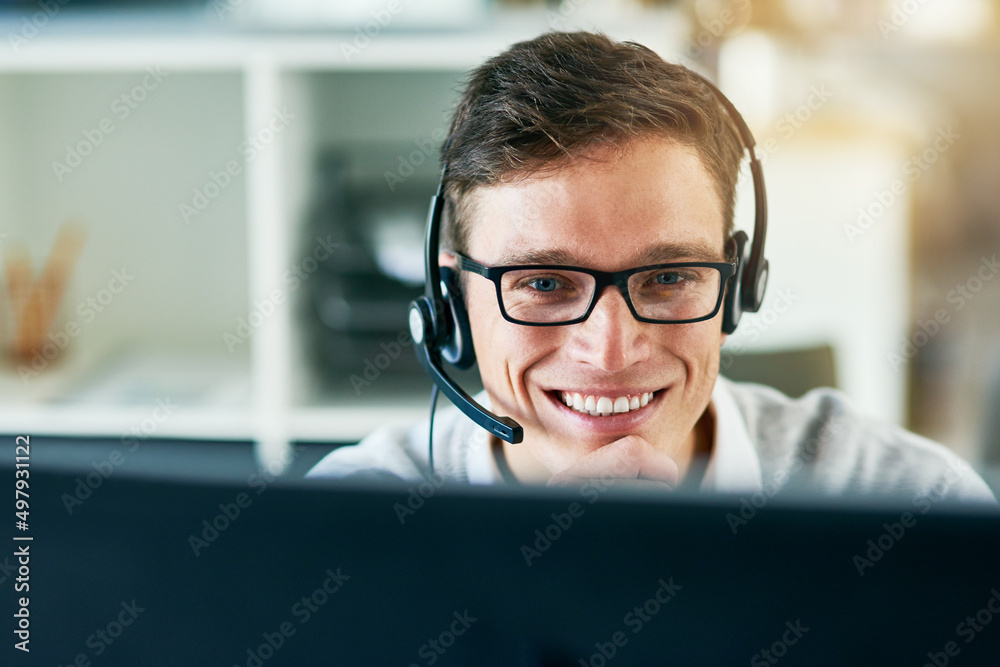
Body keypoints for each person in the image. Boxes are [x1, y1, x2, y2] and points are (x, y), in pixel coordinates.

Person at [309, 31, 993, 503]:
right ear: (451, 297)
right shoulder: (336, 534)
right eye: (545, 283)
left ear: (737, 286)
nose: (609, 350)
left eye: (667, 278)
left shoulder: (913, 507)